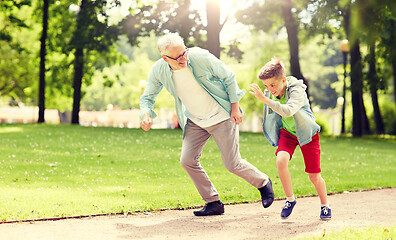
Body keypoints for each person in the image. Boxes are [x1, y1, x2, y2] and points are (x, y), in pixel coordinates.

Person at [140, 33, 274, 216]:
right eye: (177, 57)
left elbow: (228, 76)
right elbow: (148, 97)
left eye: (184, 53)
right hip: (196, 121)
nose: (183, 58)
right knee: (187, 161)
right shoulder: (159, 70)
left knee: (232, 164)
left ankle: (263, 182)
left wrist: (235, 107)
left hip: (221, 116)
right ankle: (213, 203)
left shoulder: (199, 57)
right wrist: (146, 114)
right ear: (165, 58)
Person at [249, 57, 331, 220]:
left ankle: (325, 205)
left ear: (284, 80)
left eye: (273, 85)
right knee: (281, 160)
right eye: (266, 86)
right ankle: (290, 200)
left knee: (314, 176)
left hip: (307, 134)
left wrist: (265, 100)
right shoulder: (270, 93)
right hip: (288, 133)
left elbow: (288, 111)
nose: (270, 89)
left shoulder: (296, 91)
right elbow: (272, 114)